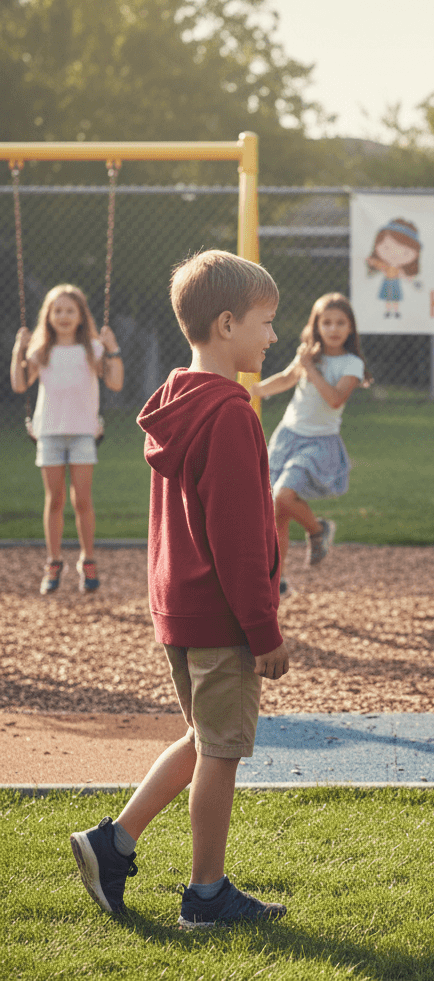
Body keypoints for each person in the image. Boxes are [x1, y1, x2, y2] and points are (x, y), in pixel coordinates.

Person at [70, 250, 290, 928]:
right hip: (223, 614)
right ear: (226, 324)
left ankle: (113, 842)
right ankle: (206, 895)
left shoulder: (177, 399)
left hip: (178, 604)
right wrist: (265, 630)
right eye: (265, 322)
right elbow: (236, 537)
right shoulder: (229, 413)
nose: (273, 337)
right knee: (220, 753)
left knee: (202, 737)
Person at [249, 292, 369, 597]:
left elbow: (334, 399)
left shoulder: (351, 364)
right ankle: (278, 581)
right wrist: (254, 390)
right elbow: (287, 379)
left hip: (319, 443)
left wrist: (310, 367)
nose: (333, 329)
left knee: (283, 495)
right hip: (288, 436)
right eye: (326, 322)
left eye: (340, 323)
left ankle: (318, 530)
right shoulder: (308, 355)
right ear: (316, 326)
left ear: (350, 328)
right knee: (278, 513)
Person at [9, 284, 123, 594]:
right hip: (49, 432)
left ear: (81, 316)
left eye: (70, 310)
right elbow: (20, 385)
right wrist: (18, 350)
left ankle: (88, 559)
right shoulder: (40, 349)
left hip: (83, 431)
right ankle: (54, 561)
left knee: (82, 499)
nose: (63, 316)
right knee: (55, 499)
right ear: (48, 315)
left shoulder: (93, 348)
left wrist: (112, 348)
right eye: (57, 310)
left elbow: (114, 382)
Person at [366, 218, 421, 319]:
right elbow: (380, 267)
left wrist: (411, 280)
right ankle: (388, 311)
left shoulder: (399, 269)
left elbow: (403, 276)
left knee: (395, 299)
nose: (395, 254)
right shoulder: (385, 266)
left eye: (405, 252)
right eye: (387, 247)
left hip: (395, 283)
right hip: (387, 282)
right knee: (387, 299)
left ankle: (395, 312)